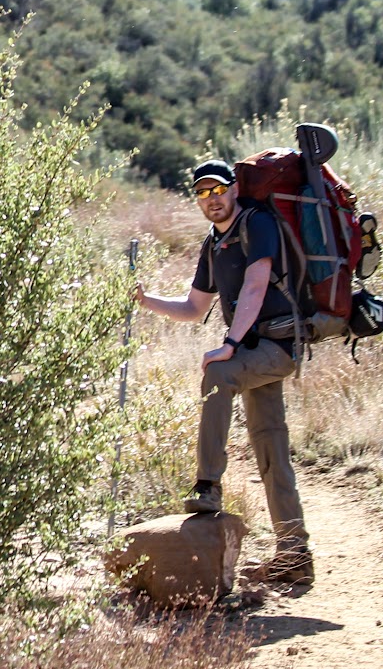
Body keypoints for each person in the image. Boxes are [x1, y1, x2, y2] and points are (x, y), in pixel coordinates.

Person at [132, 158, 314, 584]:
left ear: (234, 189)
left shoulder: (257, 224)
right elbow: (194, 308)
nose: (211, 199)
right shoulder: (214, 245)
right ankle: (294, 555)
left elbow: (256, 285)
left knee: (218, 375)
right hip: (254, 350)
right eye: (202, 193)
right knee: (271, 450)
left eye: (218, 190)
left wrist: (229, 344)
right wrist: (145, 300)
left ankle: (207, 485)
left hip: (278, 347)